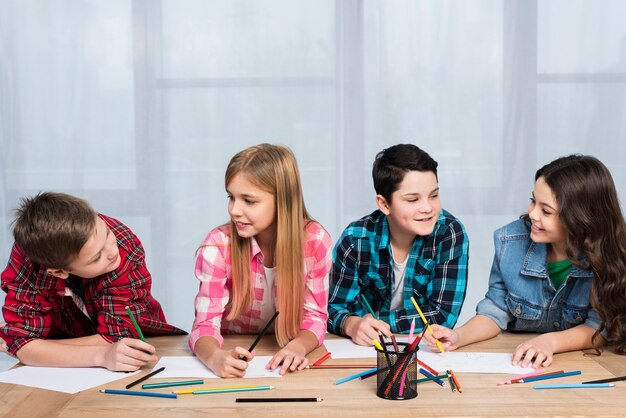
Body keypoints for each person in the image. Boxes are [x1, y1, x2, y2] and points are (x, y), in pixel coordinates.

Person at [424, 154, 626, 368]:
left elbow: (598, 327)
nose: (532, 214)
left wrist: (549, 342)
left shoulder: (607, 256)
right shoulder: (510, 242)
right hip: (521, 362)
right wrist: (458, 336)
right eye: (533, 201)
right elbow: (495, 310)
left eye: (546, 211)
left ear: (581, 218)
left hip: (581, 365)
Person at [190, 143, 332, 378]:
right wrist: (215, 358)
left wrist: (298, 346)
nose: (234, 210)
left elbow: (315, 317)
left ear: (283, 201)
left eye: (249, 200)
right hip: (234, 349)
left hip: (283, 353)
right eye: (231, 197)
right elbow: (204, 324)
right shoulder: (218, 244)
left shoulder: (315, 240)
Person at [1, 192, 185, 371]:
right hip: (72, 356)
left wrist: (39, 347)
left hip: (140, 344)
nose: (113, 251)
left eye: (107, 234)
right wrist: (101, 356)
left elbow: (116, 335)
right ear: (59, 271)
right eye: (96, 257)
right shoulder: (30, 258)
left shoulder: (122, 245)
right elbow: (24, 347)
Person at [327, 144, 469, 346]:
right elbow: (332, 308)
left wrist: (373, 322)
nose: (428, 208)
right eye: (413, 200)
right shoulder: (355, 240)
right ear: (384, 204)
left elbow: (443, 315)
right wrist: (352, 325)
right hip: (368, 350)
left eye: (434, 195)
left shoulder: (450, 233)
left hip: (423, 350)